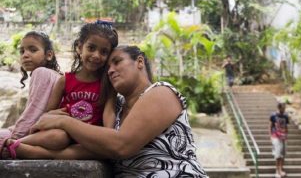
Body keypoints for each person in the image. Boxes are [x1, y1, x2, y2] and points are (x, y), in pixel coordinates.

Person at [6, 45, 208, 177]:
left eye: (117, 61)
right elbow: (89, 144)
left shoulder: (160, 92)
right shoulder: (114, 111)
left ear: (139, 62)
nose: (110, 70)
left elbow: (122, 145)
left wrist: (64, 122)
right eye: (107, 67)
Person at [3, 20, 118, 159]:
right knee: (59, 137)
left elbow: (109, 119)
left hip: (88, 135)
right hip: (62, 132)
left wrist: (107, 134)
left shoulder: (107, 85)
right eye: (91, 48)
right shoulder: (65, 80)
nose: (96, 55)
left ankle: (21, 149)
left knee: (95, 149)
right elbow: (47, 113)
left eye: (104, 52)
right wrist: (53, 115)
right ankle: (15, 145)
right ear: (80, 48)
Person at [0, 31, 62, 158]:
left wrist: (14, 139)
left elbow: (34, 113)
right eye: (22, 51)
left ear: (49, 55)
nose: (25, 55)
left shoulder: (41, 73)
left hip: (42, 136)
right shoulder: (52, 75)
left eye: (32, 50)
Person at [269, 102, 289, 178]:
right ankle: (277, 171)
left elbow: (286, 126)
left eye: (285, 108)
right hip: (276, 136)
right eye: (283, 108)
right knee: (278, 154)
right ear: (279, 107)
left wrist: (286, 135)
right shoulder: (273, 115)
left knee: (283, 154)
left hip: (283, 137)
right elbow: (270, 126)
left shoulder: (285, 116)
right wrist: (270, 136)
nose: (284, 109)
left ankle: (281, 170)